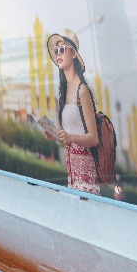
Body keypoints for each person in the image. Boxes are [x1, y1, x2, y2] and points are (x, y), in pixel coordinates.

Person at [43, 29, 100, 194]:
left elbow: (93, 138)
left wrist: (70, 137)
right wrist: (56, 135)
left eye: (62, 49)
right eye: (56, 51)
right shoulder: (65, 91)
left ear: (73, 54)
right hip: (72, 174)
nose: (58, 54)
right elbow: (72, 136)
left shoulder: (82, 90)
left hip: (85, 175)